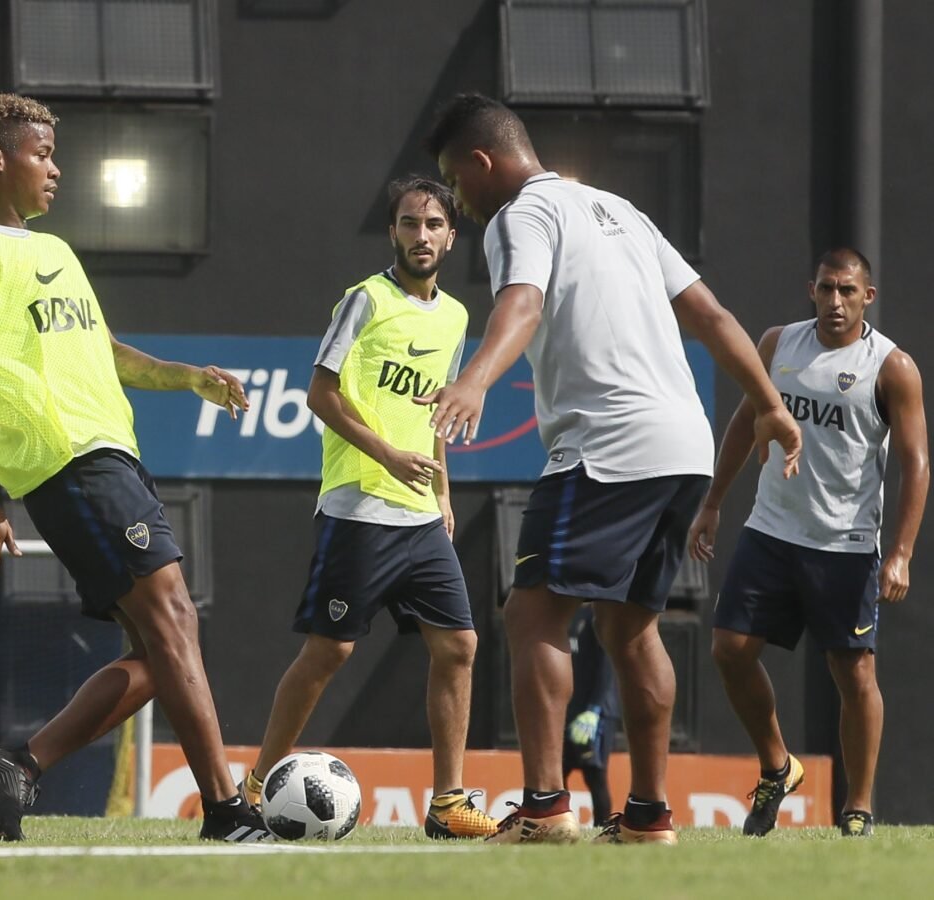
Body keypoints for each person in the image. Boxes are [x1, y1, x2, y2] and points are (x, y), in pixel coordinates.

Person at [421, 93, 802, 845]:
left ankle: (542, 810)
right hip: (683, 445)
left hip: (606, 447)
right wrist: (769, 405)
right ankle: (649, 817)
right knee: (630, 633)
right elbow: (714, 317)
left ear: (480, 163)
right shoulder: (620, 210)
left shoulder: (518, 215)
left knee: (531, 614)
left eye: (454, 185)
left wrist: (473, 380)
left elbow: (522, 305)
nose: (458, 204)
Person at [0, 93, 267, 843]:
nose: (55, 168)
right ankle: (228, 811)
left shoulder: (54, 251)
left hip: (113, 454)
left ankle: (23, 764)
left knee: (156, 653)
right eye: (41, 154)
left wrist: (188, 377)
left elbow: (106, 352)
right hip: (66, 462)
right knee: (174, 620)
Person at [239, 176, 498, 840]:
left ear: (450, 234)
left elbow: (440, 412)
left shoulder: (455, 318)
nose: (421, 235)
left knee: (460, 645)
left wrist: (443, 491)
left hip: (419, 514)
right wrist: (385, 454)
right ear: (392, 233)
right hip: (358, 507)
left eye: (433, 224)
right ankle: (253, 786)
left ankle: (446, 805)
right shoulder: (364, 300)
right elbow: (320, 395)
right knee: (329, 653)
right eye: (409, 224)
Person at [688, 249, 928, 838]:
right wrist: (714, 503)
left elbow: (917, 462)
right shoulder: (778, 343)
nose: (836, 301)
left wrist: (900, 551)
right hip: (771, 530)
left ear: (867, 296)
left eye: (848, 290)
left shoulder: (891, 366)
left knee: (853, 675)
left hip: (844, 544)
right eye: (826, 289)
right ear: (812, 290)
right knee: (729, 649)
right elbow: (748, 421)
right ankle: (777, 765)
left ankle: (859, 807)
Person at [563, 606, 619, 823]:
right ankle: (561, 823)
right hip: (568, 711)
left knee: (595, 775)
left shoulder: (598, 615)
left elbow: (607, 666)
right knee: (557, 774)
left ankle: (602, 827)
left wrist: (594, 710)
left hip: (596, 714)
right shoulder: (567, 613)